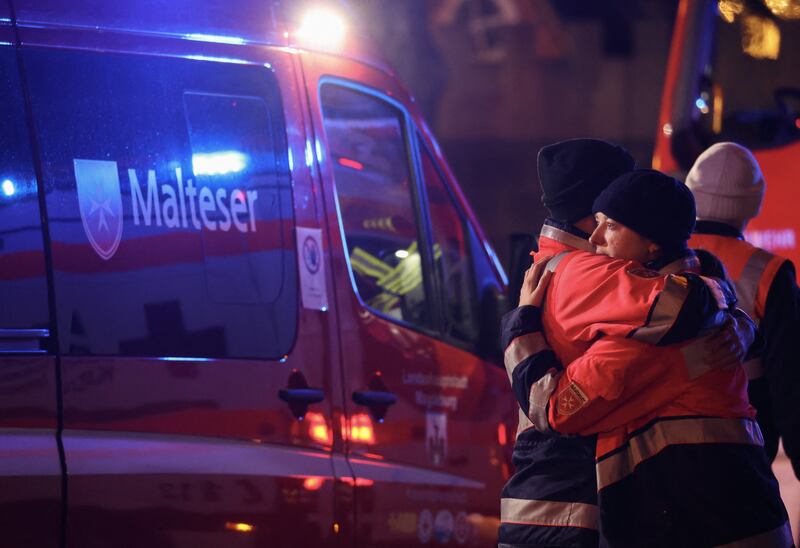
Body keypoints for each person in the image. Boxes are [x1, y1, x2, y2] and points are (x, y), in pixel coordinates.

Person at [510, 169, 790, 546]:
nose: (594, 240)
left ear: (652, 244)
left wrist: (522, 323)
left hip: (704, 524)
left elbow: (558, 410)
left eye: (610, 227)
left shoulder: (646, 342)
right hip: (744, 515)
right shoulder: (708, 302)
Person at [686, 142, 800, 477]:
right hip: (746, 436)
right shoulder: (770, 271)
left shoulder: (658, 256)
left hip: (666, 432)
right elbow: (788, 376)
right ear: (753, 204)